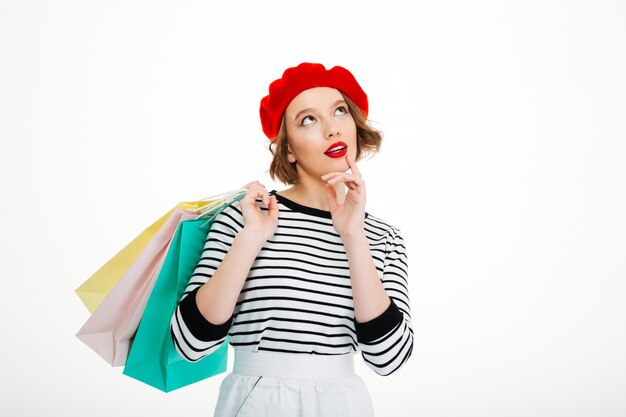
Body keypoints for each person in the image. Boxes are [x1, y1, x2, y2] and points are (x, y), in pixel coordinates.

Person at [170, 62, 413, 417]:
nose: (332, 129)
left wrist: (353, 235)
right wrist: (251, 237)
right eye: (309, 120)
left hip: (343, 405)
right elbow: (190, 344)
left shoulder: (382, 237)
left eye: (340, 111)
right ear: (288, 150)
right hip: (257, 402)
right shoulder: (248, 215)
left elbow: (389, 358)